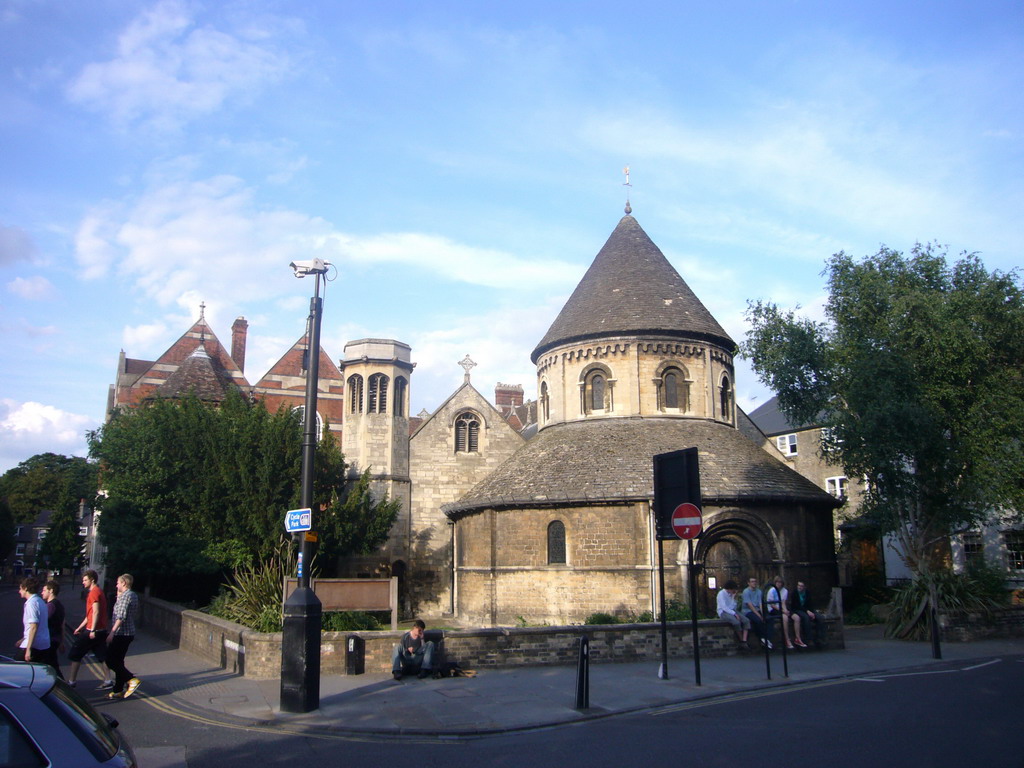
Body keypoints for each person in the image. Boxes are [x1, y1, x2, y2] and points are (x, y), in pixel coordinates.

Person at [67, 570, 109, 687]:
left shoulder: (94, 593)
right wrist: (79, 628)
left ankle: (71, 681)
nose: (83, 582)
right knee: (102, 655)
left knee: (75, 654)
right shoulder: (99, 591)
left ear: (92, 580)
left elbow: (96, 612)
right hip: (100, 630)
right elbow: (89, 615)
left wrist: (92, 630)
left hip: (93, 630)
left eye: (85, 580)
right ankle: (108, 680)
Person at [104, 574, 142, 700]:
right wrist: (118, 595)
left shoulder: (127, 596)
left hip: (122, 633)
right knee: (119, 661)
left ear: (124, 583)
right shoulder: (131, 595)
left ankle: (131, 679)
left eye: (118, 583)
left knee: (110, 660)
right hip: (127, 633)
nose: (116, 585)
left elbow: (121, 616)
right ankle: (118, 690)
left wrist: (112, 632)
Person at [16, 577, 50, 663]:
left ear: (26, 588)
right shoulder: (40, 601)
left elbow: (34, 626)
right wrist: (23, 639)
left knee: (17, 669)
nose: (19, 591)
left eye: (20, 588)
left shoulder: (31, 604)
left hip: (34, 645)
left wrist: (28, 649)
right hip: (43, 644)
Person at [766, 576, 803, 649]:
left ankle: (798, 638)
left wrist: (785, 610)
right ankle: (787, 639)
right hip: (773, 609)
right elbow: (772, 604)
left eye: (780, 583)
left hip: (781, 608)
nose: (779, 584)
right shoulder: (771, 591)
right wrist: (783, 611)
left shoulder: (784, 591)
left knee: (796, 617)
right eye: (777, 582)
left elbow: (783, 602)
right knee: (785, 618)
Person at [41, 580, 66, 677]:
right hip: (55, 639)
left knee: (51, 666)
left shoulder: (50, 606)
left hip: (49, 640)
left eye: (44, 590)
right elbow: (62, 625)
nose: (42, 592)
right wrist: (62, 642)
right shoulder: (59, 605)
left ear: (51, 591)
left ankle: (62, 686)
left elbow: (41, 623)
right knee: (51, 665)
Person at [791, 580, 825, 647]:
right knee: (805, 617)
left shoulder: (807, 593)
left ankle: (820, 638)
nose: (800, 587)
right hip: (798, 610)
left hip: (807, 610)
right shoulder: (794, 593)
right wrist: (807, 611)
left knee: (820, 617)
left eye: (801, 586)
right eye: (798, 585)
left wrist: (812, 612)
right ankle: (808, 639)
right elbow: (796, 605)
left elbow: (810, 604)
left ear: (804, 587)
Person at [741, 576, 772, 649]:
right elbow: (750, 605)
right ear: (748, 583)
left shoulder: (759, 591)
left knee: (769, 619)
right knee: (758, 620)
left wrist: (762, 614)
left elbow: (760, 604)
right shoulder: (746, 592)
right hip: (748, 611)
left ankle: (767, 638)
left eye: (755, 581)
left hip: (757, 609)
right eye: (752, 581)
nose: (754, 583)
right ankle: (762, 638)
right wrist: (759, 615)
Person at [716, 580, 750, 644]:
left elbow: (733, 607)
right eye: (733, 589)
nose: (733, 591)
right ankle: (741, 639)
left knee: (746, 621)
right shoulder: (721, 594)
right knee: (736, 622)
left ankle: (744, 640)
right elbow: (724, 607)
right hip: (723, 612)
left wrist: (734, 598)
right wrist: (734, 614)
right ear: (729, 588)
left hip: (732, 610)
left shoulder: (731, 594)